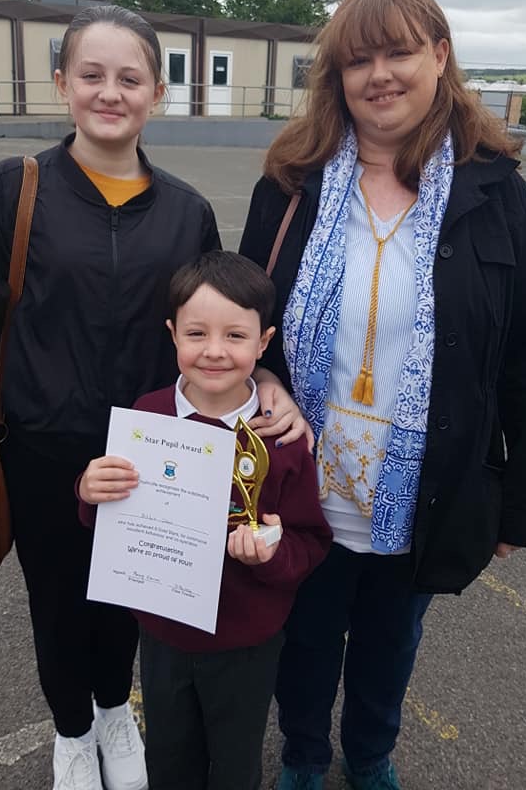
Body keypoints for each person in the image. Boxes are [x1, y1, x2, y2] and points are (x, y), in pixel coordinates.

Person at [0, 6, 307, 790]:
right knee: (58, 605)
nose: (110, 92)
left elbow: (219, 320)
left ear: (156, 93)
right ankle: (72, 731)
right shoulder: (10, 191)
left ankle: (111, 710)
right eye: (91, 75)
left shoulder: (186, 211)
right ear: (61, 83)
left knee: (134, 598)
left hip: (156, 453)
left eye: (130, 78)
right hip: (42, 452)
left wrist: (268, 377)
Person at [238, 0, 526, 790]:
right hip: (304, 481)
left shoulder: (498, 195)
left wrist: (522, 503)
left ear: (440, 57)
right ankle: (304, 755)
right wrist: (265, 375)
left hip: (424, 487)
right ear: (338, 77)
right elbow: (244, 317)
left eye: (399, 53)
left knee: (391, 643)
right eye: (359, 60)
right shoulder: (291, 186)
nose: (379, 75)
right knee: (305, 639)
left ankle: (371, 753)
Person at [78, 250, 332, 790]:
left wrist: (271, 553)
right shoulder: (145, 418)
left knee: (235, 764)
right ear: (172, 334)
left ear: (264, 343)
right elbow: (115, 517)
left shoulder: (280, 440)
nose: (214, 351)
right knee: (170, 758)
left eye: (235, 336)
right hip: (162, 633)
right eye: (196, 334)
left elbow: (311, 541)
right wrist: (89, 492)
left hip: (246, 641)